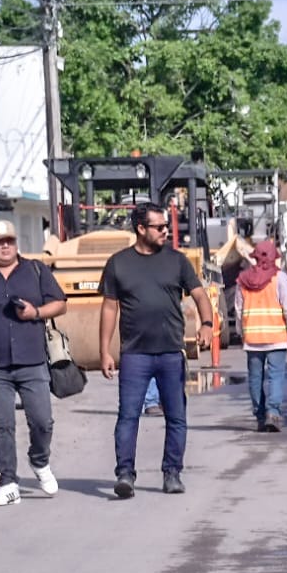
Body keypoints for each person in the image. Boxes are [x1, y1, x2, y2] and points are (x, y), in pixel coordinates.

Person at [98, 201, 216, 498]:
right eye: (159, 227)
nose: (166, 231)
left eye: (166, 226)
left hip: (170, 354)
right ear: (141, 229)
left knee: (176, 417)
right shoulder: (118, 263)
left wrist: (206, 324)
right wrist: (104, 351)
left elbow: (200, 295)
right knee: (128, 416)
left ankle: (172, 473)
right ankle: (125, 474)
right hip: (134, 355)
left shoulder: (177, 261)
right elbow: (109, 308)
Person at [0, 219, 67, 506]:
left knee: (43, 421)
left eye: (9, 240)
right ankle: (8, 483)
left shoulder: (35, 270)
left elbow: (60, 302)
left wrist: (35, 312)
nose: (5, 245)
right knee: (2, 425)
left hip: (32, 361)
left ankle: (39, 460)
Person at [233, 239, 287, 432]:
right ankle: (272, 413)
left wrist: (242, 334)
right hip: (275, 339)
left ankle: (259, 416)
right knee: (275, 377)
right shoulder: (279, 278)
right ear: (274, 257)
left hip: (252, 341)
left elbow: (238, 311)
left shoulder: (243, 280)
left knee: (255, 379)